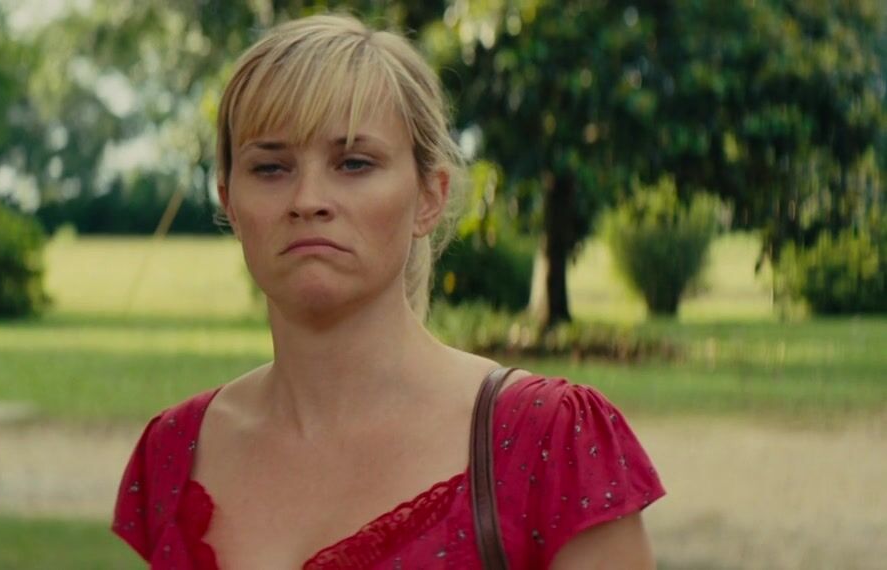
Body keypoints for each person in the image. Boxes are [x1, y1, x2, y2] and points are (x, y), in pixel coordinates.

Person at [113, 13, 664, 569]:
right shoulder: (176, 453)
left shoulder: (547, 441)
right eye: (272, 167)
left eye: (354, 163)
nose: (308, 199)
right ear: (229, 201)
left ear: (429, 197)